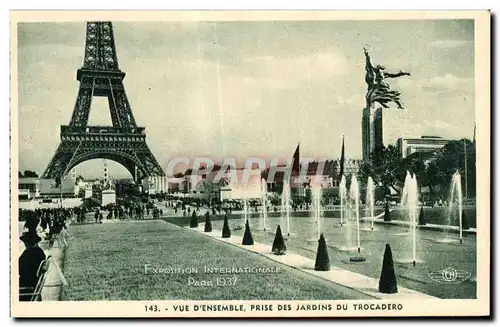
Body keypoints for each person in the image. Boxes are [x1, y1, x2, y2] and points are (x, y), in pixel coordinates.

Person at [19, 231, 47, 301]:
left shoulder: (29, 254)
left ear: (29, 243)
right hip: (33, 284)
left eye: (25, 242)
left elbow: (20, 269)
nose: (25, 244)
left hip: (26, 287)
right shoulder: (39, 252)